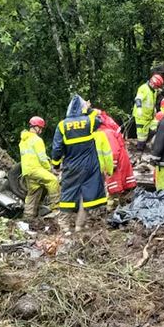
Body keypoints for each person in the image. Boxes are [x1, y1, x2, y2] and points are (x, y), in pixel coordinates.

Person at [51, 95, 105, 233]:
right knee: (87, 194)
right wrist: (88, 109)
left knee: (68, 192)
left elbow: (57, 148)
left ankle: (64, 226)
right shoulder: (89, 121)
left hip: (72, 165)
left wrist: (56, 165)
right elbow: (100, 119)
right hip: (90, 166)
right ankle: (79, 225)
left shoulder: (62, 125)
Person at [18, 116, 59, 220]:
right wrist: (49, 168)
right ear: (36, 127)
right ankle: (56, 209)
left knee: (33, 192)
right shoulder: (37, 140)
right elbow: (42, 158)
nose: (41, 130)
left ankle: (27, 218)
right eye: (40, 128)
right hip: (35, 169)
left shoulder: (23, 140)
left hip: (26, 171)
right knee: (53, 181)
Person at [97, 112, 136, 198]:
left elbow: (113, 149)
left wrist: (112, 163)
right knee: (121, 185)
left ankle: (115, 204)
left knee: (116, 186)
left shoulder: (106, 133)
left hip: (116, 162)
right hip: (119, 160)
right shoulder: (107, 131)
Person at [132, 74, 164, 151]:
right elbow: (138, 99)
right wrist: (139, 108)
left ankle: (145, 145)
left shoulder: (154, 90)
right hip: (141, 116)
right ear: (152, 83)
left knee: (156, 127)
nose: (157, 88)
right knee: (142, 136)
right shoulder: (143, 88)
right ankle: (140, 149)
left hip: (149, 116)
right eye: (156, 86)